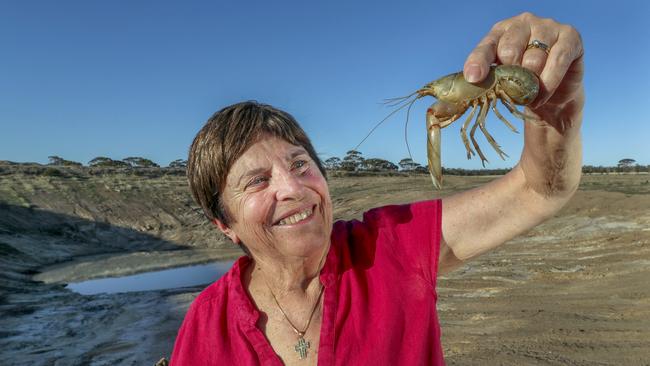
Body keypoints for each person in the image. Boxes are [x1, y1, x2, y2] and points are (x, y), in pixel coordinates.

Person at [169, 12, 584, 366]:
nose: (293, 187)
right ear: (225, 223)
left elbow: (539, 189)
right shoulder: (205, 326)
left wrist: (554, 118)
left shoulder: (391, 245)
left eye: (300, 164)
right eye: (258, 181)